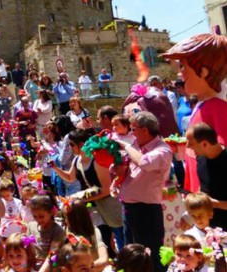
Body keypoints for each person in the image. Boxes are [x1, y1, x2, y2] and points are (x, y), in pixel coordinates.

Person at [163, 34, 227, 193]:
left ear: (204, 71)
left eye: (183, 67)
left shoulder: (217, 109)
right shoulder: (202, 106)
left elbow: (220, 158)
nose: (180, 74)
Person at [111, 111, 173, 272]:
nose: (131, 133)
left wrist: (125, 145)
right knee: (130, 255)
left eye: (133, 129)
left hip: (147, 211)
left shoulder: (163, 150)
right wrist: (117, 173)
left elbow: (144, 163)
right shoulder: (136, 147)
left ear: (145, 130)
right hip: (129, 208)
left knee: (150, 257)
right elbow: (128, 169)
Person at [52, 128, 123, 254]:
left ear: (81, 145)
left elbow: (106, 189)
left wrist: (80, 197)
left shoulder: (96, 161)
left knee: (116, 239)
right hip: (92, 207)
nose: (70, 148)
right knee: (98, 239)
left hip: (108, 206)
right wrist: (55, 168)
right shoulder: (77, 160)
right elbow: (70, 177)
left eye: (71, 145)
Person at [186, 123, 227, 229]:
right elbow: (203, 187)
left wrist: (216, 204)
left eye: (191, 144)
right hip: (211, 230)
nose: (187, 146)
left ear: (204, 144)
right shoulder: (201, 159)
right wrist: (188, 214)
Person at [63, 199, 110, 272]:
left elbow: (103, 260)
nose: (65, 221)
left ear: (76, 219)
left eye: (67, 218)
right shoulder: (67, 232)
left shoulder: (94, 232)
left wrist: (84, 268)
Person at [26, 195, 66, 262]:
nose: (38, 220)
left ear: (51, 212)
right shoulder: (31, 226)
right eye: (35, 216)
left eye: (41, 216)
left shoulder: (57, 231)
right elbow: (27, 248)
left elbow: (52, 255)